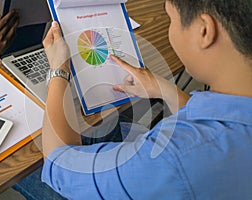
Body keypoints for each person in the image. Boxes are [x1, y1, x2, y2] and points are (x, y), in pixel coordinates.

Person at [17, 0, 252, 199]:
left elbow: (59, 162)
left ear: (204, 30)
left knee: (26, 170)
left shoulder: (174, 157)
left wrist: (59, 69)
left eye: (171, 19)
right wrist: (167, 90)